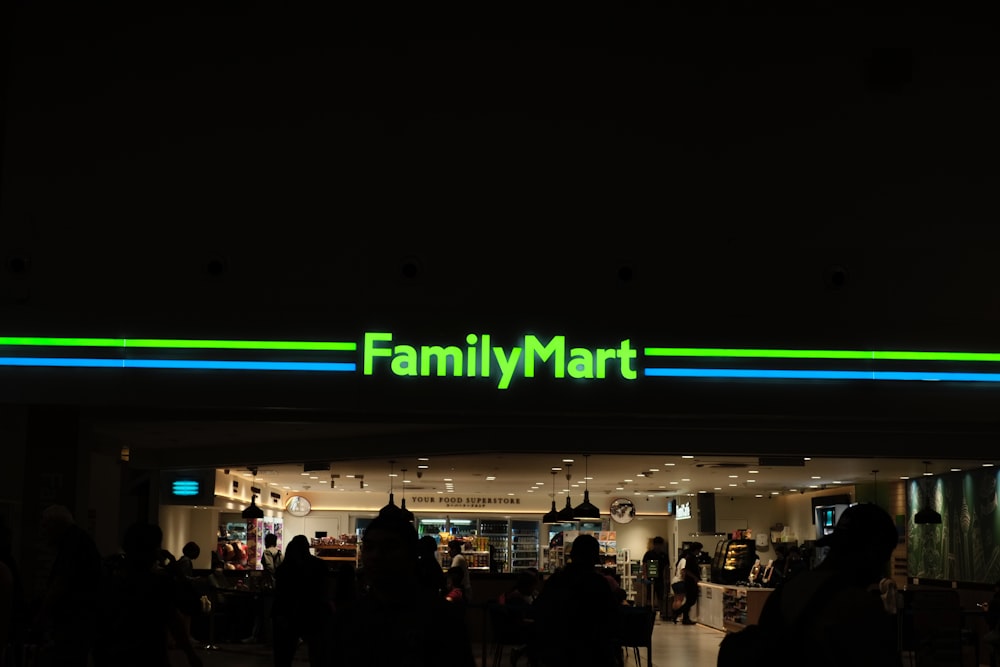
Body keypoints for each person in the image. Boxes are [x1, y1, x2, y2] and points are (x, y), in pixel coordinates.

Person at [753, 502, 902, 667]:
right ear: (872, 553)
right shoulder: (860, 607)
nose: (881, 567)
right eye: (883, 557)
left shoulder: (785, 593)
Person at [338, 513, 475, 666]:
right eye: (369, 547)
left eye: (389, 547)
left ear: (412, 554)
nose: (376, 555)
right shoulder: (348, 620)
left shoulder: (442, 621)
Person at [92, 522, 203, 667]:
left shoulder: (109, 577)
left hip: (112, 656)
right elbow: (187, 610)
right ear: (154, 551)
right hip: (150, 656)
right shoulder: (159, 583)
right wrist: (191, 654)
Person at [531, 534, 619, 666]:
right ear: (595, 558)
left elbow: (539, 609)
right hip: (593, 652)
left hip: (557, 651)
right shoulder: (598, 583)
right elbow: (611, 618)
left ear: (572, 555)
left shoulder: (556, 580)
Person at [32, 504, 104, 667]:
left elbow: (61, 582)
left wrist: (42, 614)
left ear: (56, 524)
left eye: (45, 526)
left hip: (72, 625)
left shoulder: (72, 544)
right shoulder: (79, 540)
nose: (43, 533)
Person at [270, 534, 334, 667]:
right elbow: (325, 589)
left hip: (288, 613)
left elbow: (280, 593)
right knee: (317, 654)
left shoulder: (285, 568)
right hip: (314, 612)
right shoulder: (319, 565)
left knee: (284, 654)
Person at [640, 536, 670, 621]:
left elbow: (666, 567)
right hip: (650, 578)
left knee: (661, 595)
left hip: (660, 578)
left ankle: (661, 612)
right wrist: (645, 576)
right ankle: (649, 611)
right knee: (649, 595)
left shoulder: (664, 555)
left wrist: (667, 578)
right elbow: (644, 565)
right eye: (657, 545)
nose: (658, 547)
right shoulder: (649, 554)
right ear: (654, 545)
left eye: (660, 545)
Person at [676, 542, 703, 625]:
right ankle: (677, 613)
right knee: (691, 601)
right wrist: (695, 578)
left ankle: (685, 618)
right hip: (690, 582)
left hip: (689, 582)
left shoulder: (690, 557)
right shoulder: (690, 558)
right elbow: (686, 570)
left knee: (689, 601)